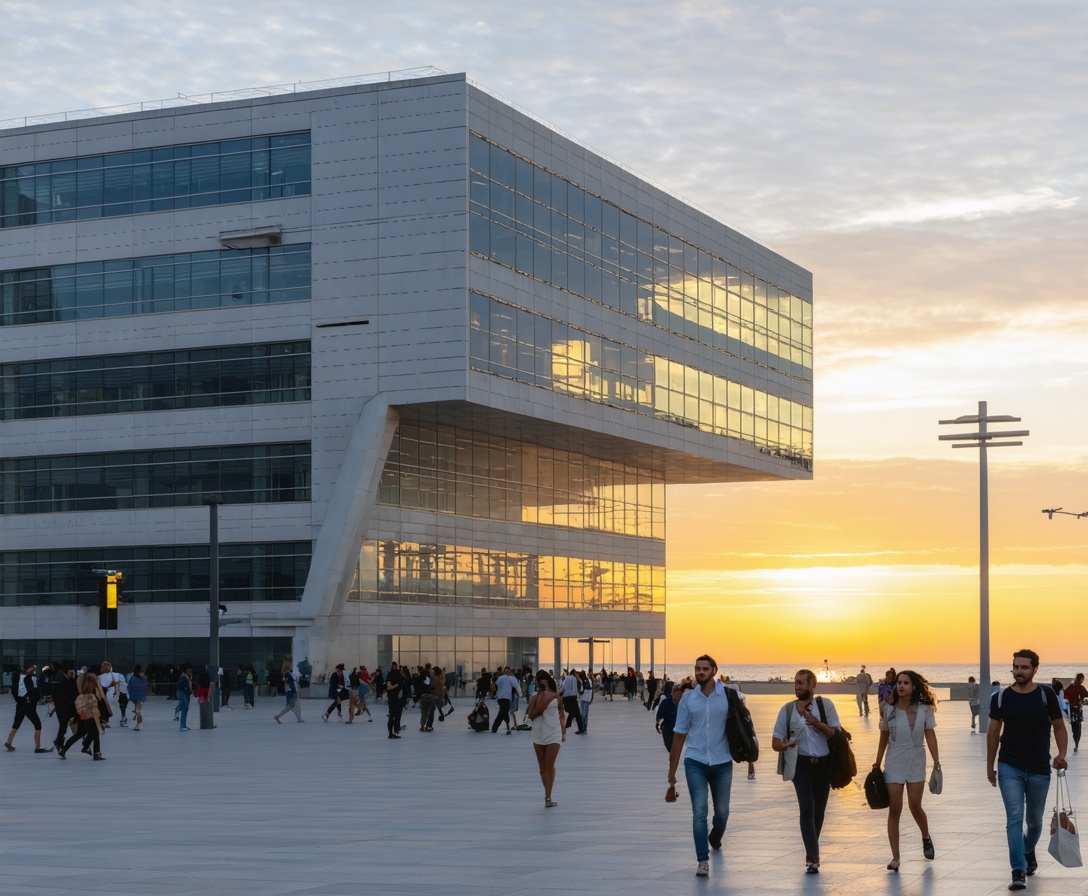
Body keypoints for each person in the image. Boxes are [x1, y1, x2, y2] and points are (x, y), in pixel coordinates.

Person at [986, 648, 1068, 891]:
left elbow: (1059, 728)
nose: (1018, 671)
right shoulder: (1000, 698)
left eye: (1023, 667)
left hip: (1039, 768)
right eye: (1015, 667)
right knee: (1014, 817)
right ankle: (1018, 870)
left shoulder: (1046, 695)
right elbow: (992, 734)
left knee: (1034, 822)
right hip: (1009, 764)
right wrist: (990, 767)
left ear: (1034, 669)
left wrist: (1061, 755)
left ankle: (1028, 848)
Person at [667, 655, 734, 878]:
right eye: (697, 668)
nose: (700, 672)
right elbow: (679, 734)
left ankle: (716, 836)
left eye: (705, 669)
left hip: (722, 761)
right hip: (695, 761)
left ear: (714, 670)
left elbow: (743, 724)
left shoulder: (728, 694)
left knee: (722, 812)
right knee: (699, 813)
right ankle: (702, 860)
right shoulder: (688, 698)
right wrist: (672, 772)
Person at [772, 669, 841, 875]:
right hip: (800, 764)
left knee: (819, 811)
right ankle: (813, 857)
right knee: (807, 809)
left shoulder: (825, 705)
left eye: (802, 683)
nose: (798, 686)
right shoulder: (787, 710)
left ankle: (812, 849)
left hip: (824, 763)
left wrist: (816, 723)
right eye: (796, 683)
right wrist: (784, 745)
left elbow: (835, 734)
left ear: (813, 684)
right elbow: (775, 742)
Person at [872, 670, 940, 871]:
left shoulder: (925, 709)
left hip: (916, 759)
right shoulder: (888, 709)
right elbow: (883, 736)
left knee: (914, 805)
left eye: (906, 682)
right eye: (899, 682)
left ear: (914, 686)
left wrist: (937, 762)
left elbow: (930, 734)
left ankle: (925, 837)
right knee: (895, 808)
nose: (901, 686)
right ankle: (895, 858)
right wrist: (877, 762)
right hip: (894, 760)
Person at [527, 669, 565, 807]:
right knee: (542, 768)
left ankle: (548, 796)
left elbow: (561, 714)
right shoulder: (534, 696)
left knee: (549, 764)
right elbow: (530, 716)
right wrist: (540, 703)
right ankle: (547, 794)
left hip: (554, 732)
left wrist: (563, 731)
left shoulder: (557, 696)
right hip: (538, 732)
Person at [3, 664, 50, 753]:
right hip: (28, 705)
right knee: (37, 724)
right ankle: (38, 747)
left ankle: (8, 742)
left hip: (20, 704)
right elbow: (32, 669)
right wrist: (34, 667)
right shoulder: (26, 678)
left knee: (16, 724)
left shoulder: (16, 681)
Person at [59, 672, 105, 760]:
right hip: (91, 715)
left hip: (81, 715)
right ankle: (96, 753)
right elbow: (98, 702)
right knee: (95, 735)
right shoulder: (93, 691)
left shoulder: (80, 691)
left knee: (79, 734)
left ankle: (64, 749)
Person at [657, 677, 695, 752]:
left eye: (680, 694)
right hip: (668, 730)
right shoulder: (666, 702)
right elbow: (660, 715)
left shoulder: (686, 703)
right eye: (676, 694)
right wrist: (659, 725)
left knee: (677, 750)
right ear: (673, 693)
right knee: (670, 748)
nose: (678, 696)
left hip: (681, 732)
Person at [50, 662, 78, 750]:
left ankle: (59, 743)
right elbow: (57, 697)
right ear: (66, 673)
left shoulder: (72, 682)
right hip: (62, 709)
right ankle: (58, 743)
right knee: (63, 727)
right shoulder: (62, 683)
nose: (72, 675)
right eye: (71, 673)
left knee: (64, 727)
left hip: (67, 709)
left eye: (73, 673)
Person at [1064, 673, 1087, 753]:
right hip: (1074, 710)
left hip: (1076, 710)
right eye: (1081, 679)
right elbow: (1066, 696)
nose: (1082, 681)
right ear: (1078, 679)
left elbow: (1086, 694)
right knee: (1076, 727)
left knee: (1077, 727)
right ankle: (1075, 743)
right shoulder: (1075, 687)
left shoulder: (1078, 687)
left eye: (1083, 679)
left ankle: (1076, 743)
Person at [492, 666, 519, 734]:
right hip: (506, 698)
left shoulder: (500, 678)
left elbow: (496, 683)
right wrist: (520, 694)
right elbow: (516, 685)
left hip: (501, 698)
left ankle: (495, 727)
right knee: (504, 712)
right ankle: (506, 726)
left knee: (502, 712)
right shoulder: (511, 679)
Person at [385, 661, 407, 739]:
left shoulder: (389, 674)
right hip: (398, 698)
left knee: (391, 714)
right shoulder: (399, 675)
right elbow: (403, 686)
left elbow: (388, 687)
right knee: (397, 715)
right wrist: (397, 685)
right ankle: (396, 730)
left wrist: (393, 687)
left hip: (391, 698)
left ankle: (390, 732)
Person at [560, 669, 586, 735]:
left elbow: (562, 687)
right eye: (577, 674)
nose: (578, 675)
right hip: (572, 697)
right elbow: (578, 689)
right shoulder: (575, 679)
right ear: (574, 673)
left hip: (566, 697)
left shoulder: (566, 678)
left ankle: (568, 724)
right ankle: (581, 729)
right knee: (577, 714)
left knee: (571, 711)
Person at [127, 665, 149, 731]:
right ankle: (138, 724)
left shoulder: (132, 678)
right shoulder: (144, 678)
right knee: (139, 706)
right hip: (141, 694)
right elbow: (146, 685)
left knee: (136, 706)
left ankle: (137, 714)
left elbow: (128, 687)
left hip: (133, 694)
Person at [176, 666, 193, 731]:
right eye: (189, 670)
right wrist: (188, 690)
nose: (190, 672)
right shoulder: (184, 677)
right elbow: (183, 685)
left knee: (185, 708)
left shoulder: (187, 677)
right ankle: (182, 726)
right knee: (184, 708)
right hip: (183, 693)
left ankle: (183, 725)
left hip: (184, 693)